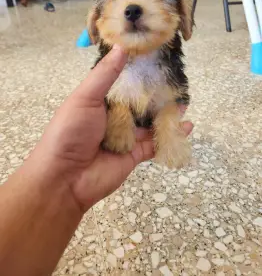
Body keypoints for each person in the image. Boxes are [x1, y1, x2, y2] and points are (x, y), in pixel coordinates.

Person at [0, 45, 193, 276]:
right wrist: (119, 115)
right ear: (97, 23)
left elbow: (176, 99)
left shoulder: (171, 71)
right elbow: (109, 98)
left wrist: (169, 128)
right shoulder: (112, 71)